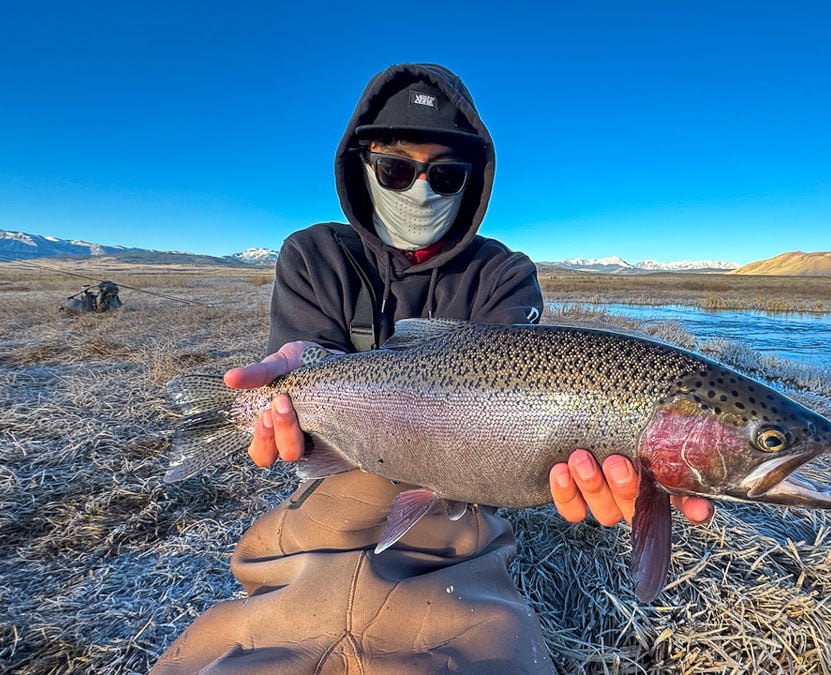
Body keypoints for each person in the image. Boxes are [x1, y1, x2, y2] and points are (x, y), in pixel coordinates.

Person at [152, 63, 712, 674]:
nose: (420, 190)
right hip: (341, 471)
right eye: (396, 169)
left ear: (470, 182)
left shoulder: (503, 273)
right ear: (362, 165)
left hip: (463, 490)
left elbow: (515, 401)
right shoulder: (313, 255)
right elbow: (300, 366)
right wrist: (287, 390)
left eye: (444, 174)